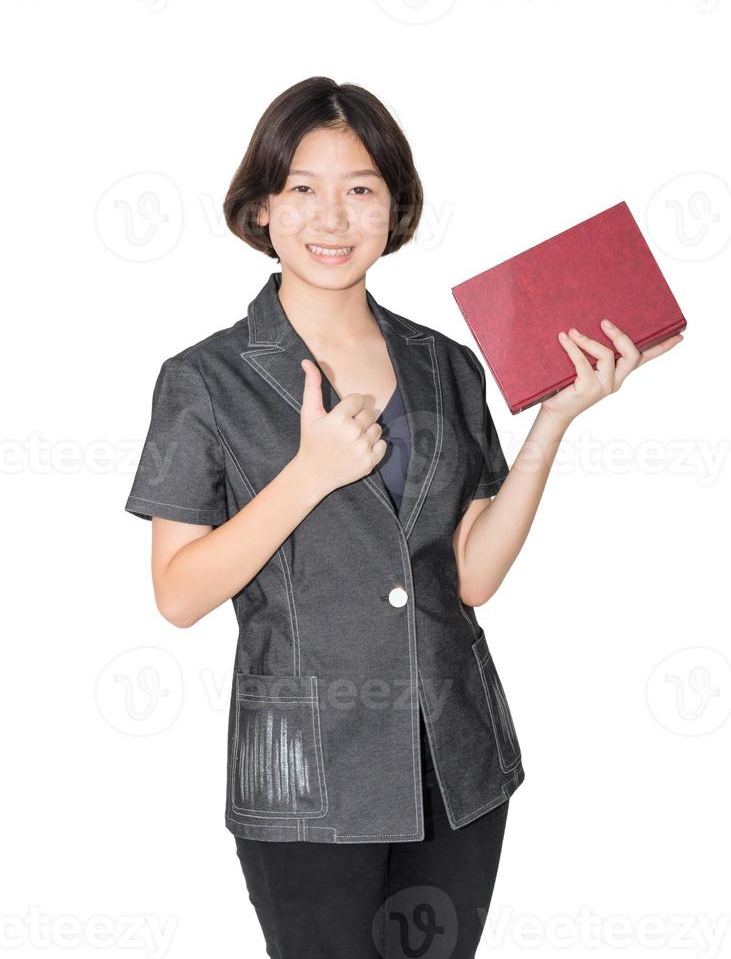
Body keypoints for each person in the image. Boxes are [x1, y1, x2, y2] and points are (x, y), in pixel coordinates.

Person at [124, 76, 683, 958]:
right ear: (262, 207)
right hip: (306, 774)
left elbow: (471, 576)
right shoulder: (204, 379)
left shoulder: (446, 364)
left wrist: (554, 420)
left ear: (395, 208)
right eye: (302, 188)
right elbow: (178, 594)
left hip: (454, 761)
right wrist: (308, 475)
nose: (331, 218)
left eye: (360, 190)